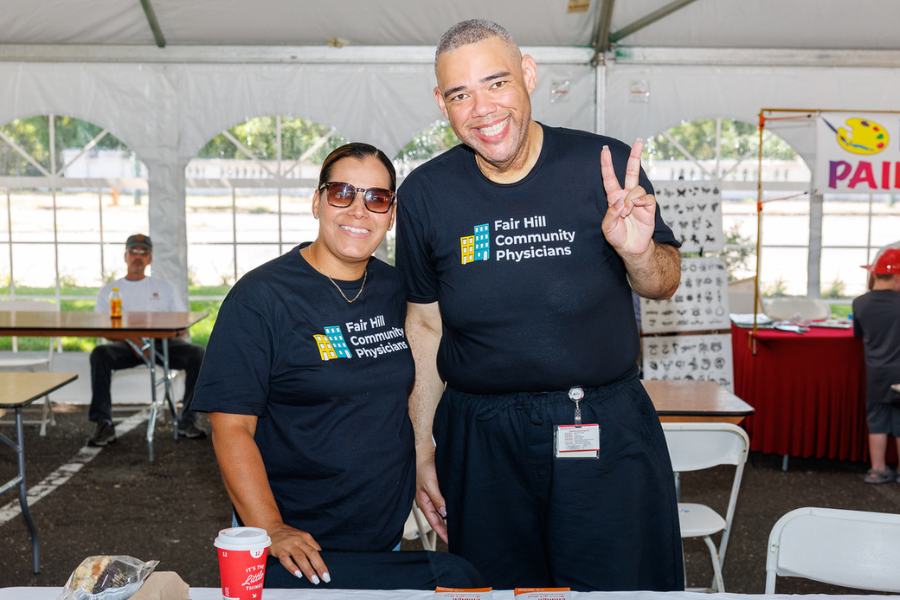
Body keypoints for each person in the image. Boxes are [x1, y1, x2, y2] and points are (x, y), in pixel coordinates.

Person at [395, 19, 684, 591]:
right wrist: (422, 443)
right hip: (479, 438)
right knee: (494, 587)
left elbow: (663, 282)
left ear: (528, 74)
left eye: (496, 83)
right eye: (460, 94)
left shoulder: (603, 166)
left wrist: (638, 252)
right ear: (441, 103)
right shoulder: (425, 193)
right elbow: (425, 326)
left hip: (599, 422)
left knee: (618, 585)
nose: (482, 109)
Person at [191, 143, 484, 590]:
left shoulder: (396, 289)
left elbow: (412, 387)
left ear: (390, 213)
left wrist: (423, 457)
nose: (359, 210)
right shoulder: (261, 298)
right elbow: (231, 428)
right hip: (295, 543)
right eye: (342, 192)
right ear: (317, 201)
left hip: (380, 534)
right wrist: (271, 527)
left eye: (377, 198)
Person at [88, 234, 206, 446]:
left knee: (197, 354)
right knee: (100, 354)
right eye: (134, 252)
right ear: (125, 256)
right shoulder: (109, 291)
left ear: (150, 258)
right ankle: (103, 423)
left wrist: (159, 338)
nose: (138, 257)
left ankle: (189, 420)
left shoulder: (164, 288)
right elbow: (104, 328)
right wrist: (137, 342)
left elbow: (181, 324)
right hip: (124, 345)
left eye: (144, 253)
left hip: (163, 344)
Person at [852, 248, 900, 484]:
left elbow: (857, 334)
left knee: (877, 421)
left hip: (876, 373)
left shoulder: (860, 303)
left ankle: (877, 470)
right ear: (897, 277)